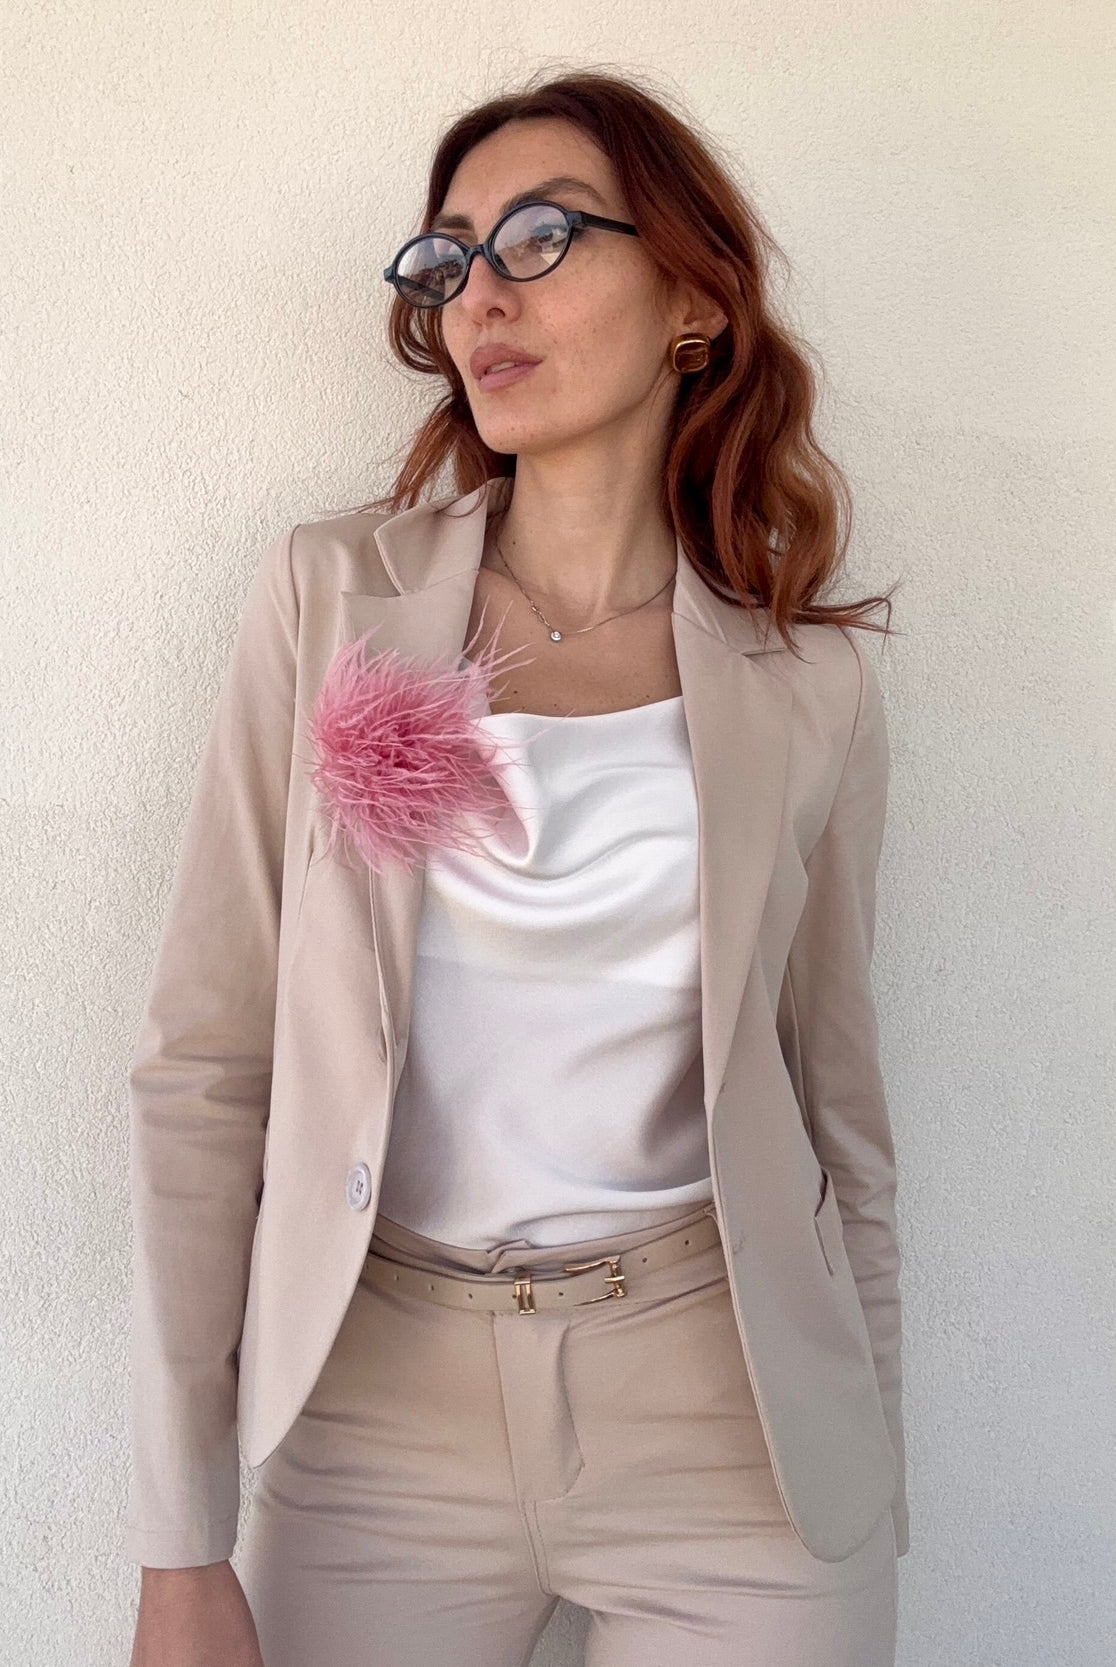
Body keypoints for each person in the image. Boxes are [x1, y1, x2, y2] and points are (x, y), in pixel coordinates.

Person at [126, 67, 907, 1667]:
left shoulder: (807, 683)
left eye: (543, 238)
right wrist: (178, 1540)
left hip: (733, 1419)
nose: (480, 293)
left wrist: (863, 1445)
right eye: (451, 256)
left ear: (693, 300)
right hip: (377, 1415)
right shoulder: (331, 598)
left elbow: (838, 1110)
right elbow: (208, 1067)